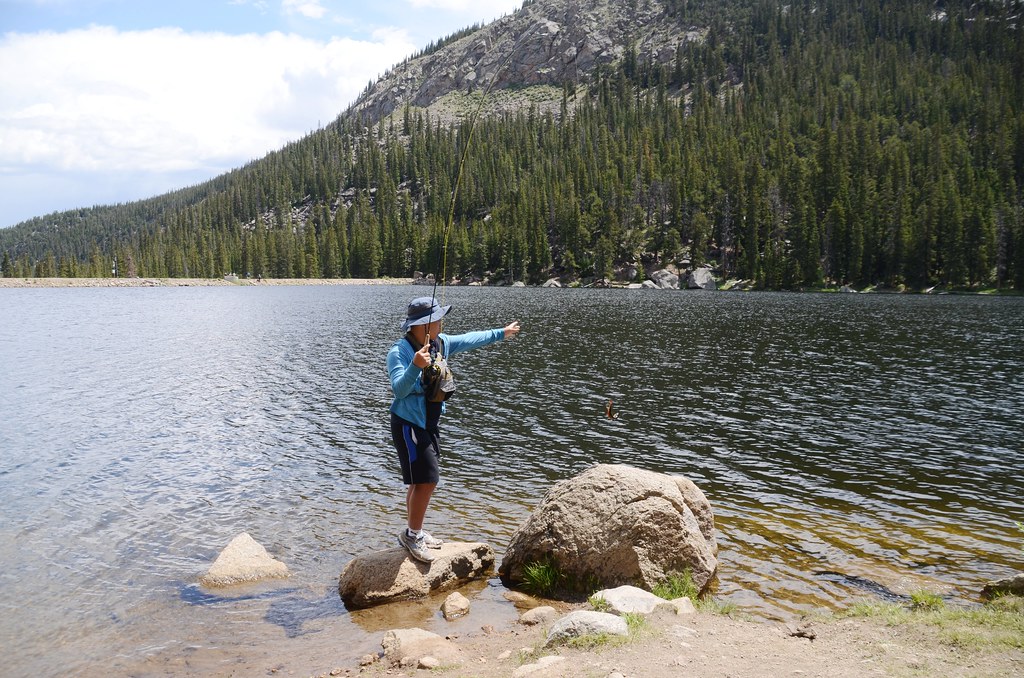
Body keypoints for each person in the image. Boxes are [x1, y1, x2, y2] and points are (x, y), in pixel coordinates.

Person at [387, 296, 520, 563]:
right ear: (423, 325)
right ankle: (413, 535)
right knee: (428, 480)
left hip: (429, 423)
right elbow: (399, 390)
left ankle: (414, 532)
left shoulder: (441, 343)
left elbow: (471, 339)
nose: (442, 322)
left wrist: (501, 333)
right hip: (408, 424)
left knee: (419, 480)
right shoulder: (399, 352)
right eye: (437, 318)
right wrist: (416, 366)